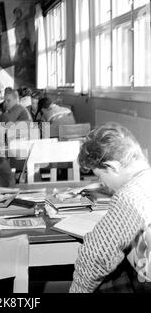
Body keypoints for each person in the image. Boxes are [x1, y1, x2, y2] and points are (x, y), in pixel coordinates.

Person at [70, 123, 151, 293]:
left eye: (100, 176)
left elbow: (96, 254)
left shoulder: (130, 196)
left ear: (112, 167)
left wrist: (78, 290)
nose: (102, 184)